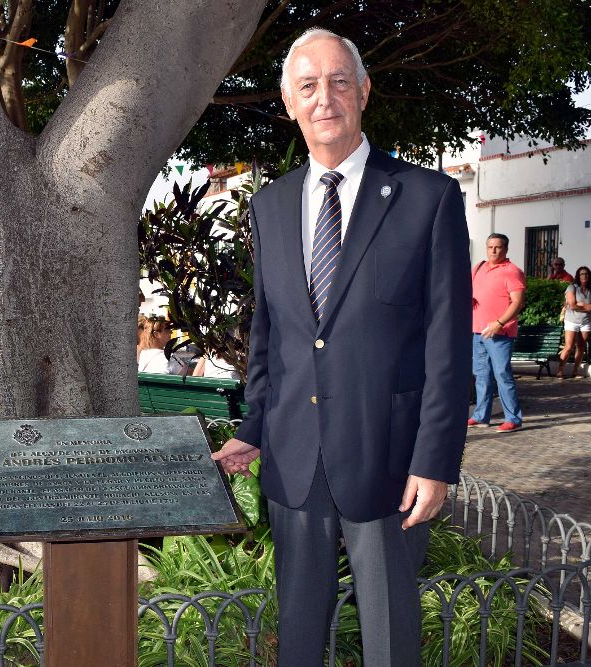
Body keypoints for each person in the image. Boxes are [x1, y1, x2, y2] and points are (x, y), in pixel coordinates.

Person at [211, 28, 470, 667]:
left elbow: (448, 343)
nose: (324, 98)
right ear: (289, 102)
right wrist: (255, 430)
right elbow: (270, 337)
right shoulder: (269, 205)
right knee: (298, 638)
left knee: (389, 639)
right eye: (308, 86)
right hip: (295, 463)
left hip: (391, 463)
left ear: (363, 91)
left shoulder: (426, 198)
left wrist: (434, 461)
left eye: (338, 82)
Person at [468, 233, 526, 431]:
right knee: (481, 375)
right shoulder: (479, 267)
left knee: (502, 375)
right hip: (477, 331)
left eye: (498, 247)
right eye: (490, 246)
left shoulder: (512, 271)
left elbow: (517, 302)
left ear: (506, 249)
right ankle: (481, 416)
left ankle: (514, 419)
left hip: (500, 333)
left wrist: (499, 323)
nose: (493, 250)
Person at [557, 265, 591, 378]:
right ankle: (560, 370)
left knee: (581, 347)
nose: (584, 276)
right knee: (569, 346)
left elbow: (578, 305)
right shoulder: (572, 287)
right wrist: (587, 307)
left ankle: (575, 372)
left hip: (586, 322)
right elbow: (572, 305)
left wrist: (582, 305)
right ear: (578, 276)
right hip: (572, 321)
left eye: (586, 274)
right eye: (582, 274)